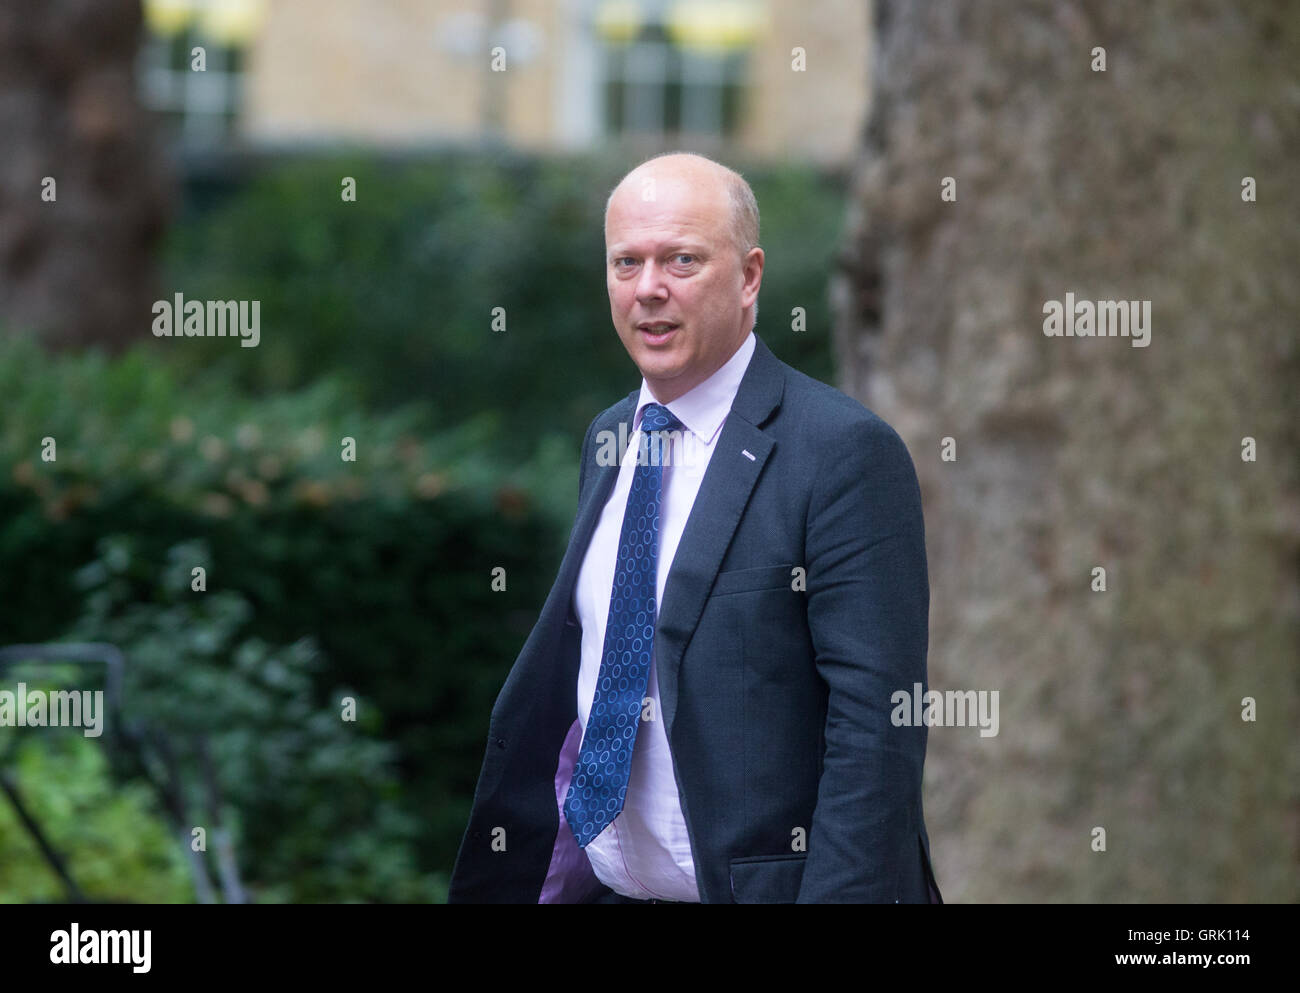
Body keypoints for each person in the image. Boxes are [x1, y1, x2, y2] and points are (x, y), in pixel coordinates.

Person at [449, 152, 941, 904]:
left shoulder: (842, 453)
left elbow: (877, 735)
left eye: (682, 260)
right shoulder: (610, 438)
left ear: (749, 277)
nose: (649, 288)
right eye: (626, 262)